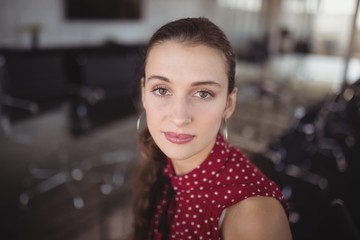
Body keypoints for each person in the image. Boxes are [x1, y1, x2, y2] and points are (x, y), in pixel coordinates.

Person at [131, 17, 292, 240]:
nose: (179, 117)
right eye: (161, 90)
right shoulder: (161, 165)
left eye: (203, 93)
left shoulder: (253, 215)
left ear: (228, 104)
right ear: (143, 94)